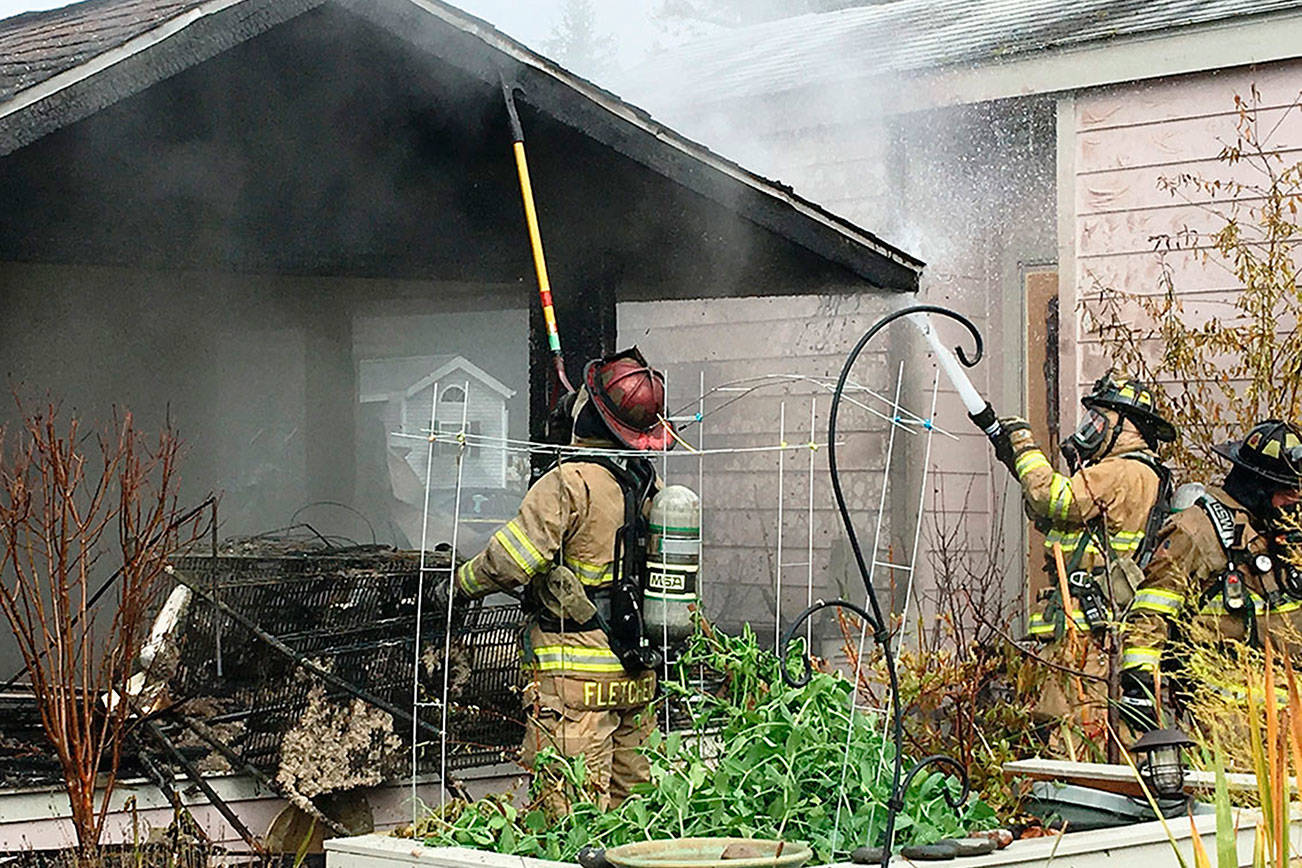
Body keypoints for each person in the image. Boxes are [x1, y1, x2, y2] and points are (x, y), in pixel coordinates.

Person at [451, 347, 673, 813]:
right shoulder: (643, 482)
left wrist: (457, 585)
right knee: (633, 817)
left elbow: (511, 560)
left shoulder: (570, 482)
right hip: (634, 676)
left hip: (576, 681)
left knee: (571, 819)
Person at [991, 375, 1176, 750]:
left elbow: (1053, 499)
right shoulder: (1137, 473)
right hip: (1086, 635)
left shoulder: (1122, 470)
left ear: (1127, 426)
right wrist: (1013, 458)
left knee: (1071, 741)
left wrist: (1025, 445)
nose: (1090, 428)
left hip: (1086, 639)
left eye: (1099, 419)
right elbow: (1058, 518)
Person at [1120, 419, 1302, 731]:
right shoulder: (1197, 529)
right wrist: (1139, 685)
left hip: (1291, 709)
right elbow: (1153, 608)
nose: (1297, 503)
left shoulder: (1278, 531)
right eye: (1289, 494)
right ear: (1259, 486)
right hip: (1230, 716)